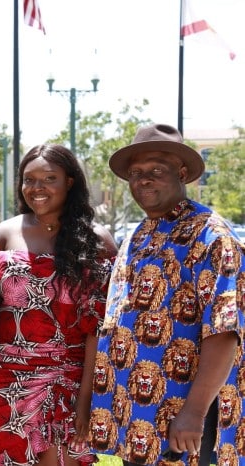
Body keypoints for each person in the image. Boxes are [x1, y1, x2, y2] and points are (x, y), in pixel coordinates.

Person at [89, 124, 245, 466]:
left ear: (183, 173)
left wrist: (195, 412)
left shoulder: (211, 236)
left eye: (157, 170)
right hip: (140, 418)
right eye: (136, 172)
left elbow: (224, 331)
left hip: (185, 422)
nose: (144, 179)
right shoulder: (141, 234)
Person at [0, 144, 117, 466]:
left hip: (68, 379)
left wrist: (85, 400)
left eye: (49, 178)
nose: (37, 188)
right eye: (29, 179)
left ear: (70, 182)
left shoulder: (96, 240)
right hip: (5, 379)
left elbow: (99, 328)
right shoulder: (3, 234)